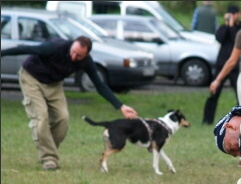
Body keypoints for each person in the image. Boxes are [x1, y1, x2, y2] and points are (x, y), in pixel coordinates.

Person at [1, 36, 138, 171]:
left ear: (86, 55)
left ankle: (48, 151)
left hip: (54, 84)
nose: (73, 57)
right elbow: (25, 48)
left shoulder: (86, 62)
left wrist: (120, 106)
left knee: (63, 118)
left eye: (78, 56)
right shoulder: (54, 47)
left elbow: (99, 85)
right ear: (72, 45)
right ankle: (49, 159)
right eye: (73, 52)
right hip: (31, 78)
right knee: (41, 116)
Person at [202, 4, 241, 125]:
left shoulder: (240, 29)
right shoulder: (223, 27)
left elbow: (235, 38)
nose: (232, 17)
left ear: (238, 15)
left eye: (234, 14)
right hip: (222, 65)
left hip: (235, 66)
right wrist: (227, 25)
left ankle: (240, 118)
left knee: (239, 94)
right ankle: (207, 120)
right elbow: (219, 38)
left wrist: (231, 26)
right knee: (214, 93)